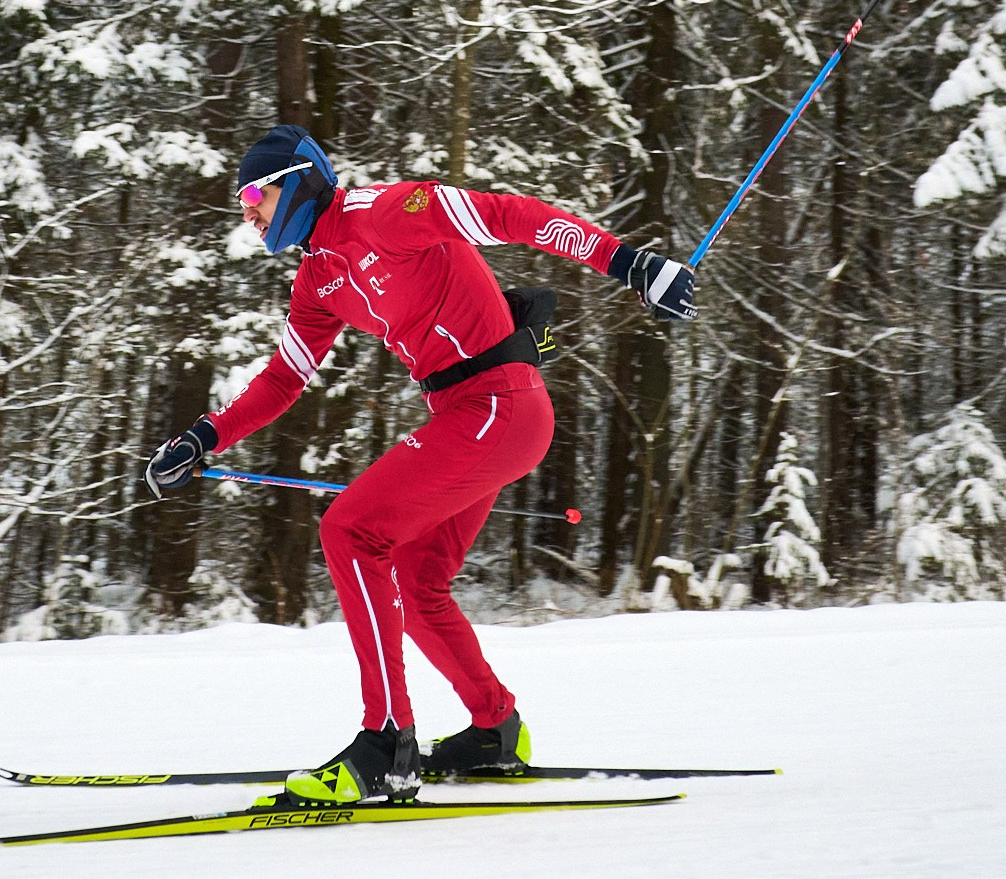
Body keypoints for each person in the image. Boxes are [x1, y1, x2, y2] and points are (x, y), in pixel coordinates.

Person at [145, 123, 697, 803]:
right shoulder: (320, 275)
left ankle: (387, 742)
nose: (247, 210)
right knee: (417, 573)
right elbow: (284, 378)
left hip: (498, 405)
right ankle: (495, 728)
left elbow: (512, 216)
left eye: (254, 191)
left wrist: (633, 265)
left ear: (296, 180)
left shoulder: (384, 212)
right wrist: (204, 436)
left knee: (349, 531)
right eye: (241, 201)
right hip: (474, 416)